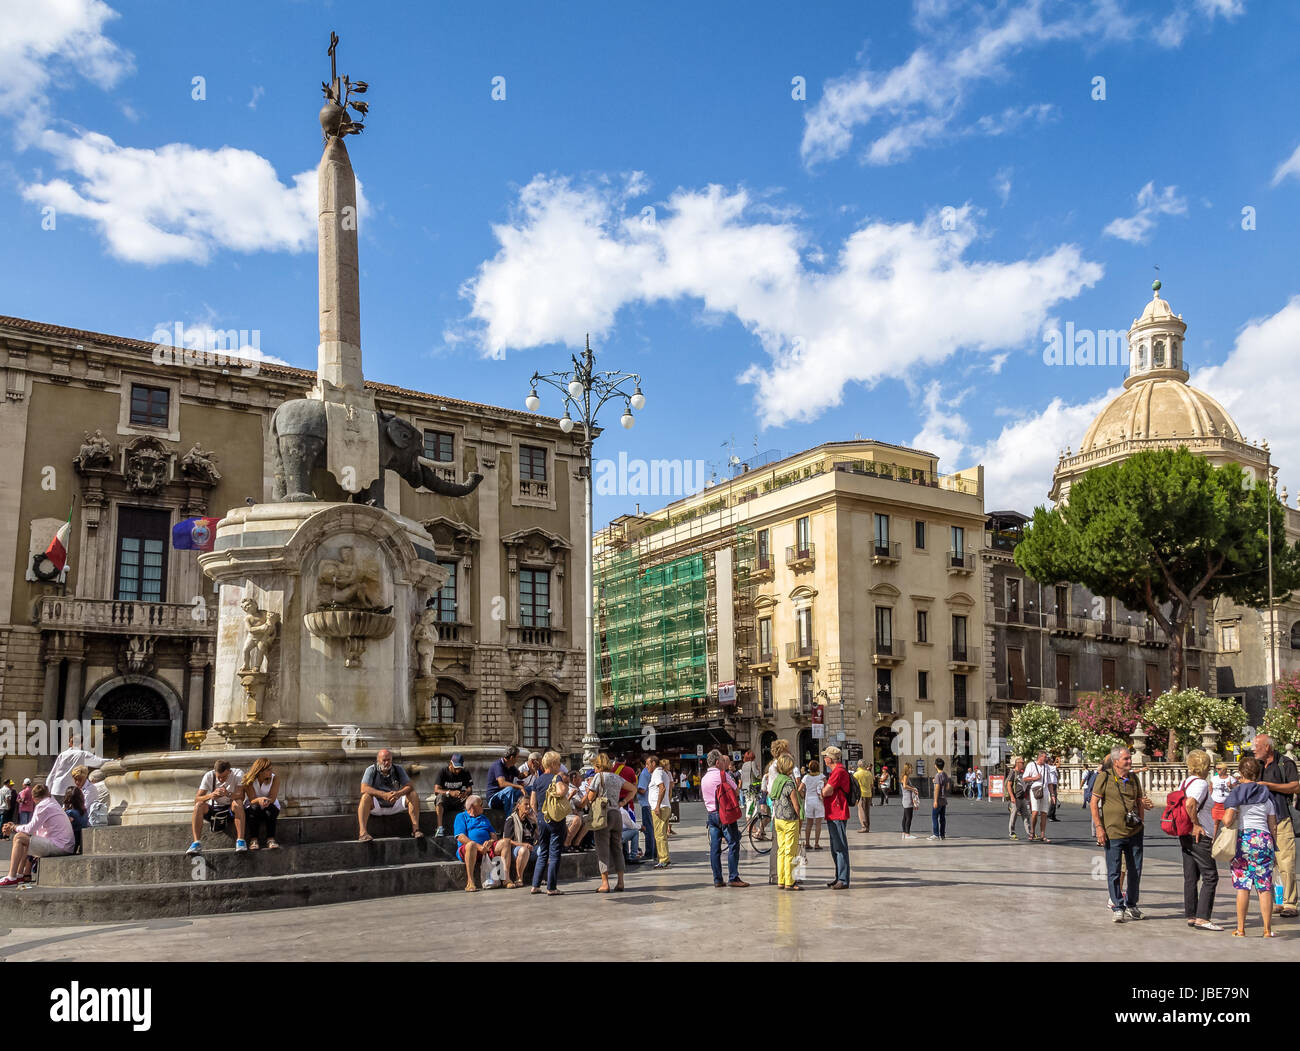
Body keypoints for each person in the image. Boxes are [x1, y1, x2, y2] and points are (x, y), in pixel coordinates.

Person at [1091, 745, 1147, 923]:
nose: (1130, 761)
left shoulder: (1133, 778)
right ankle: (1117, 905)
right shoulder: (1104, 777)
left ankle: (1131, 904)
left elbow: (1139, 801)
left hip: (1134, 831)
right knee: (1114, 871)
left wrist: (1142, 821)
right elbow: (1094, 803)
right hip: (1113, 832)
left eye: (1130, 758)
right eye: (1126, 759)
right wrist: (1099, 827)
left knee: (1135, 870)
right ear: (1116, 762)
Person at [1224, 755, 1279, 937]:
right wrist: (1274, 844)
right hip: (1263, 840)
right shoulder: (1267, 795)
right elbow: (1273, 825)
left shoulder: (1237, 793)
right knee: (1264, 887)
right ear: (1258, 772)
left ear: (1241, 773)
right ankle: (1267, 929)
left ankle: (1240, 929)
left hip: (1244, 840)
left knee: (1243, 885)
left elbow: (1227, 821)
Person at [1253, 733, 1299, 918]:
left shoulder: (1284, 763)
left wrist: (1269, 785)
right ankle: (1277, 901)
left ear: (1268, 748)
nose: (1254, 748)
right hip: (1261, 822)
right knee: (1268, 864)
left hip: (1281, 818)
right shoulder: (1257, 766)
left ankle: (1290, 903)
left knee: (1285, 862)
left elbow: (1296, 787)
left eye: (1257, 745)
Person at [1177, 749, 1222, 931]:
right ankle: (1203, 917)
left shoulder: (1185, 781)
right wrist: (1196, 824)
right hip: (1199, 835)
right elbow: (1190, 804)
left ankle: (1192, 914)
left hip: (1185, 833)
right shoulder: (1201, 783)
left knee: (1191, 875)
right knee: (1210, 876)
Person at [0, 783, 75, 884]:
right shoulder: (51, 802)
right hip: (65, 844)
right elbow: (33, 830)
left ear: (34, 798)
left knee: (19, 838)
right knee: (25, 838)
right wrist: (15, 827)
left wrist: (13, 827)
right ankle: (20, 874)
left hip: (60, 845)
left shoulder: (43, 806)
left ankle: (12, 876)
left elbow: (30, 828)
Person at [583, 753, 635, 892]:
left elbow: (590, 797)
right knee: (617, 848)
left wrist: (589, 791)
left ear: (599, 766)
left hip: (603, 815)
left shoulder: (598, 777)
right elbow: (633, 789)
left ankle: (605, 883)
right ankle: (620, 881)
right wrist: (623, 802)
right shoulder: (617, 777)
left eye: (595, 766)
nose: (594, 769)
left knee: (602, 849)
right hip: (616, 814)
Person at [702, 750, 749, 887]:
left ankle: (717, 879)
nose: (724, 764)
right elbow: (735, 790)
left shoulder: (704, 778)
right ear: (717, 762)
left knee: (715, 848)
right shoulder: (723, 775)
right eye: (722, 761)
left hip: (711, 815)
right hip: (725, 814)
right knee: (734, 843)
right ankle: (733, 877)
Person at [357, 748, 422, 842]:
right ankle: (363, 833)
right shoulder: (371, 769)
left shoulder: (398, 769)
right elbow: (363, 788)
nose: (387, 763)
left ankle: (416, 830)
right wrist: (383, 795)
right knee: (365, 797)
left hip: (395, 803)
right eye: (384, 760)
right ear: (378, 760)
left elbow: (410, 786)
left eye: (389, 760)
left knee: (413, 794)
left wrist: (398, 794)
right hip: (377, 805)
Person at [187, 759, 247, 855]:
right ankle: (196, 843)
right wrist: (211, 795)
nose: (220, 780)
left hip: (230, 807)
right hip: (214, 808)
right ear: (215, 772)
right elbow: (197, 799)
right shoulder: (209, 776)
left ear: (229, 771)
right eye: (218, 777)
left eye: (224, 777)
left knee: (238, 803)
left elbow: (241, 796)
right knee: (198, 806)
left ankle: (240, 841)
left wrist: (228, 794)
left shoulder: (238, 774)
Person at [528, 751, 568, 895]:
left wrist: (538, 816)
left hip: (541, 818)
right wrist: (565, 788)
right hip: (555, 819)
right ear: (552, 764)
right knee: (555, 852)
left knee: (543, 851)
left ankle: (535, 885)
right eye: (558, 763)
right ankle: (551, 887)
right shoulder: (556, 777)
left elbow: (533, 802)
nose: (560, 766)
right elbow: (562, 791)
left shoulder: (537, 780)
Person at [454, 795, 502, 891]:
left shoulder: (484, 818)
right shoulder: (461, 817)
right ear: (472, 806)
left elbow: (493, 835)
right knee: (471, 845)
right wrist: (478, 847)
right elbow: (460, 837)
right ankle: (470, 882)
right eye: (480, 804)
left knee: (505, 843)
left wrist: (490, 841)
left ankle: (506, 879)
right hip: (468, 850)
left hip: (486, 850)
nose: (482, 806)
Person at [770, 754, 803, 891]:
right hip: (790, 820)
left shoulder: (777, 780)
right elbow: (796, 804)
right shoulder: (788, 782)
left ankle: (781, 880)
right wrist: (800, 817)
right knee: (791, 851)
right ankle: (790, 881)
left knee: (781, 850)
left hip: (778, 819)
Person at [821, 745, 852, 889]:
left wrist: (822, 790)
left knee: (840, 847)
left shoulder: (838, 771)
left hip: (837, 812)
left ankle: (843, 879)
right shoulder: (835, 771)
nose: (824, 758)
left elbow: (826, 792)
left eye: (825, 756)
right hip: (832, 812)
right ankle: (838, 876)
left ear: (830, 759)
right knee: (835, 847)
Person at [47, 735, 107, 800]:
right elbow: (99, 762)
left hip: (57, 789)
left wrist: (48, 790)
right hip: (71, 791)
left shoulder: (62, 755)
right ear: (81, 744)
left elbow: (52, 774)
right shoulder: (83, 755)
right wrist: (114, 760)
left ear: (69, 743)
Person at [242, 757, 282, 849]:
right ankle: (254, 840)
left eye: (271, 769)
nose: (271, 772)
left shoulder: (274, 778)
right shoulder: (248, 779)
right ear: (260, 771)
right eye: (268, 770)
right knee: (254, 809)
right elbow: (252, 799)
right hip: (253, 806)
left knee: (271, 810)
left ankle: (271, 839)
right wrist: (260, 800)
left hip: (270, 805)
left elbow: (273, 797)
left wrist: (266, 801)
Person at [432, 753, 472, 837]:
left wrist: (465, 793)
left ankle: (469, 827)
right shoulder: (443, 772)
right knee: (439, 798)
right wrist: (449, 792)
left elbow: (470, 789)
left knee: (470, 800)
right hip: (446, 799)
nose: (458, 771)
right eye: (456, 768)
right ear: (450, 764)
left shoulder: (465, 772)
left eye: (459, 768)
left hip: (458, 800)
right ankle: (440, 828)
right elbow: (436, 790)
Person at [504, 796, 537, 888]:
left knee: (544, 850)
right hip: (515, 849)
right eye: (525, 804)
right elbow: (507, 841)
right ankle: (519, 878)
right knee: (523, 850)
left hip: (531, 847)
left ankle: (539, 877)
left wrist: (536, 821)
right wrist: (523, 845)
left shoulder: (529, 820)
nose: (528, 806)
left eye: (529, 804)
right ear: (518, 806)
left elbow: (540, 835)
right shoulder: (511, 819)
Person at [487, 745, 527, 813]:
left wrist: (530, 770)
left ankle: (528, 815)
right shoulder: (498, 765)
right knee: (510, 789)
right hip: (494, 799)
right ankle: (509, 819)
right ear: (512, 757)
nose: (517, 759)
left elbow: (520, 776)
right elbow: (502, 783)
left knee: (530, 789)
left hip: (507, 796)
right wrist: (519, 787)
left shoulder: (511, 766)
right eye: (517, 757)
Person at [649, 757, 673, 868]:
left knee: (659, 835)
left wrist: (658, 805)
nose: (646, 767)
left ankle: (663, 859)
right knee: (662, 834)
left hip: (660, 808)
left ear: (653, 763)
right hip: (665, 806)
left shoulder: (657, 773)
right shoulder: (664, 773)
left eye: (647, 764)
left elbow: (662, 788)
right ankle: (664, 858)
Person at [1024, 751, 1051, 842]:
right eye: (1044, 757)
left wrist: (1053, 795)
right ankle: (1032, 831)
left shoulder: (1046, 767)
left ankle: (1042, 834)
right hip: (1035, 790)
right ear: (1040, 757)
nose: (1046, 759)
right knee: (1035, 812)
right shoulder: (1031, 765)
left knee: (1044, 813)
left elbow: (1050, 782)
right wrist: (1034, 778)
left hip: (1045, 790)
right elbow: (1025, 778)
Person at [801, 760, 825, 851]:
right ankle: (816, 843)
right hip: (818, 801)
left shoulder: (806, 777)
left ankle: (807, 843)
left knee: (809, 823)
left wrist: (803, 796)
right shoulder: (821, 776)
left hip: (809, 801)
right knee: (818, 823)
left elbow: (800, 789)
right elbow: (826, 786)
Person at [637, 754, 657, 860]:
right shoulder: (653, 772)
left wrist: (633, 788)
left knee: (648, 829)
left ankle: (650, 852)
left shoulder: (644, 773)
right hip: (651, 803)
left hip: (646, 803)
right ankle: (655, 852)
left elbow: (642, 789)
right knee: (652, 829)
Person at [1211, 762, 1238, 837]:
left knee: (1227, 823)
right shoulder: (1213, 779)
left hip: (1226, 804)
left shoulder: (1231, 779)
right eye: (1217, 769)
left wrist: (1231, 786)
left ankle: (1225, 839)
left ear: (1225, 770)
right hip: (1216, 803)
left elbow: (1236, 791)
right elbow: (1211, 790)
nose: (1217, 770)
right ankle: (1213, 839)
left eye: (1219, 769)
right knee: (1215, 823)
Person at [1007, 756, 1030, 840]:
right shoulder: (1013, 772)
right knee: (1014, 816)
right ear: (1017, 764)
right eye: (1022, 763)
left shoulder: (1023, 773)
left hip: (1022, 798)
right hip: (1016, 798)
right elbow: (1008, 785)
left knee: (1026, 816)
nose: (1023, 764)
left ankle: (1030, 833)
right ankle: (1012, 833)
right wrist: (1012, 797)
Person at [929, 757, 950, 842]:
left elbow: (937, 788)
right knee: (942, 818)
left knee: (934, 817)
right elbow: (948, 787)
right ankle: (942, 834)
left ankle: (936, 834)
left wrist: (935, 801)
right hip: (944, 799)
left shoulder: (938, 775)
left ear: (935, 766)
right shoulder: (945, 774)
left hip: (938, 799)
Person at [900, 762, 918, 839]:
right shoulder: (905, 776)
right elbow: (904, 786)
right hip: (907, 799)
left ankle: (904, 833)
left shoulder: (905, 776)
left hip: (906, 798)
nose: (912, 769)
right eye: (911, 768)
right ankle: (907, 834)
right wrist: (913, 788)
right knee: (909, 817)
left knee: (905, 817)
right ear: (907, 769)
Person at [853, 761, 872, 832]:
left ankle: (864, 826)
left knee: (861, 811)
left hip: (861, 794)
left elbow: (854, 786)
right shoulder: (869, 773)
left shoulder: (856, 774)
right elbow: (871, 785)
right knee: (867, 811)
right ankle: (868, 826)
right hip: (868, 794)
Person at [1046, 754, 1061, 822]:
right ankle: (1049, 815)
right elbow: (1058, 766)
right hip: (1052, 785)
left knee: (1054, 801)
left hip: (1054, 784)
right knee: (1053, 800)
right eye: (1050, 761)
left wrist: (1055, 760)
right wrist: (1059, 760)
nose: (1052, 762)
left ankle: (1053, 815)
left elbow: (1054, 765)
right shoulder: (1048, 767)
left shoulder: (1050, 766)